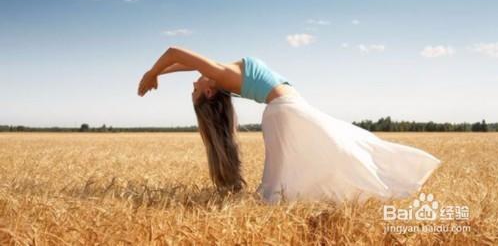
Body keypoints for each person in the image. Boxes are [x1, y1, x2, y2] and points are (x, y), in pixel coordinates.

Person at [138, 46, 441, 204]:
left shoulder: (220, 72)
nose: (194, 80)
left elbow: (183, 61)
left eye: (192, 85)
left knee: (343, 147)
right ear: (209, 91)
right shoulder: (220, 73)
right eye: (195, 88)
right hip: (285, 112)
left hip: (287, 110)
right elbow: (176, 52)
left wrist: (157, 74)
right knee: (338, 153)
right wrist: (152, 73)